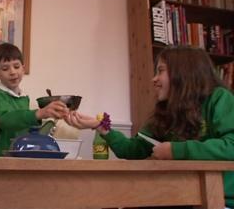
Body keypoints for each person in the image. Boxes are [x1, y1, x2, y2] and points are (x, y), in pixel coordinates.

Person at [65, 46, 234, 209]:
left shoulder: (219, 99)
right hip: (179, 196)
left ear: (183, 73)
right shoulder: (165, 112)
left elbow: (231, 146)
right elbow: (132, 150)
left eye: (160, 71)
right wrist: (100, 126)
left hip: (220, 199)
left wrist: (176, 150)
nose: (154, 79)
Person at [0, 43, 68, 155]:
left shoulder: (24, 98)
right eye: (5, 68)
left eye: (16, 66)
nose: (13, 72)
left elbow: (26, 127)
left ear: (23, 69)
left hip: (21, 154)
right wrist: (38, 114)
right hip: (3, 157)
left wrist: (51, 119)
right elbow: (4, 120)